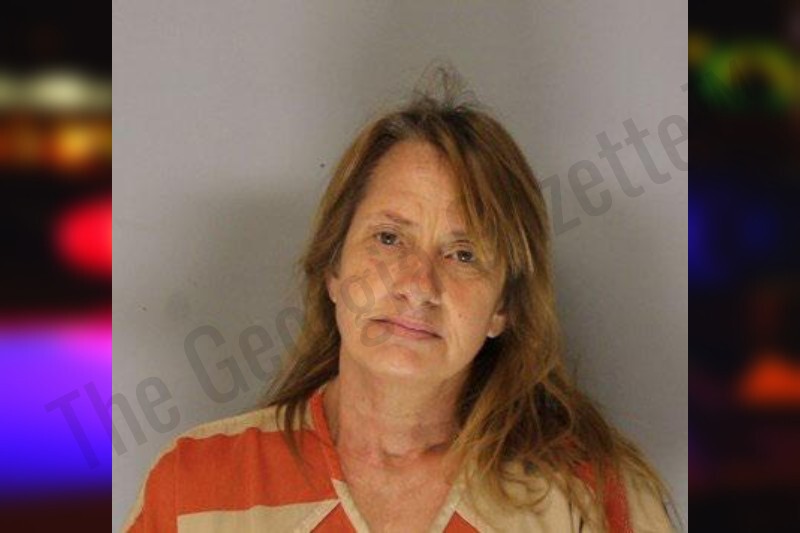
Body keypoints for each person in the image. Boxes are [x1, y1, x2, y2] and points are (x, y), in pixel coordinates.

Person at [123, 70, 677, 532]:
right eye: (389, 239)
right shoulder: (193, 489)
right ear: (333, 270)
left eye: (463, 254)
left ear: (503, 309)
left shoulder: (593, 496)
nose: (418, 284)